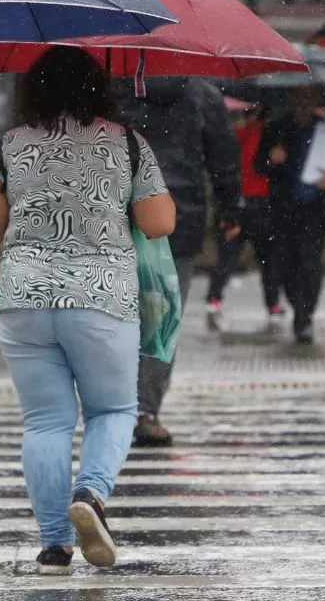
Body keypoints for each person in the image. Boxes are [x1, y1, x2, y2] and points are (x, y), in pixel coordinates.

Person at [0, 48, 175, 575]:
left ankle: (54, 545)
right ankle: (91, 493)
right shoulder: (127, 142)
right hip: (102, 297)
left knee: (45, 422)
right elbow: (159, 222)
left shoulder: (9, 146)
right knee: (113, 410)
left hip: (24, 299)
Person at [113, 76, 238, 447]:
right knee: (161, 319)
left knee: (114, 312)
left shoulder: (114, 88)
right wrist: (230, 209)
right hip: (178, 218)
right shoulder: (203, 94)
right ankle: (145, 410)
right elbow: (224, 156)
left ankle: (112, 405)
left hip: (119, 213)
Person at [256, 86, 325, 344]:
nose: (303, 102)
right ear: (289, 99)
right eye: (298, 97)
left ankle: (304, 315)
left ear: (316, 99)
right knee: (284, 263)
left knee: (310, 263)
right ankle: (297, 302)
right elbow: (258, 164)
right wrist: (271, 159)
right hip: (283, 209)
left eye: (308, 97)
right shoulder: (277, 129)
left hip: (315, 210)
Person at [206, 104, 282, 330]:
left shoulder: (240, 135)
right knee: (264, 259)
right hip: (253, 204)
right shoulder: (258, 136)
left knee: (231, 256)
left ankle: (215, 299)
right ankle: (272, 304)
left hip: (244, 203)